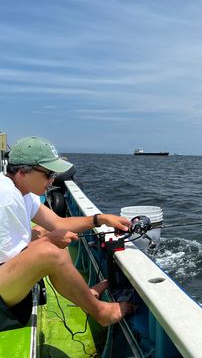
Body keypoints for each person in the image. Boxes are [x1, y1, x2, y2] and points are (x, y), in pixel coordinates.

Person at [0, 136, 132, 331]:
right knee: (49, 250)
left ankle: (83, 294)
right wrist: (48, 240)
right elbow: (8, 261)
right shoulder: (7, 198)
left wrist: (100, 219)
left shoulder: (23, 192)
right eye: (48, 174)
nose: (53, 180)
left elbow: (58, 223)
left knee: (41, 233)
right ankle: (100, 312)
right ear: (22, 172)